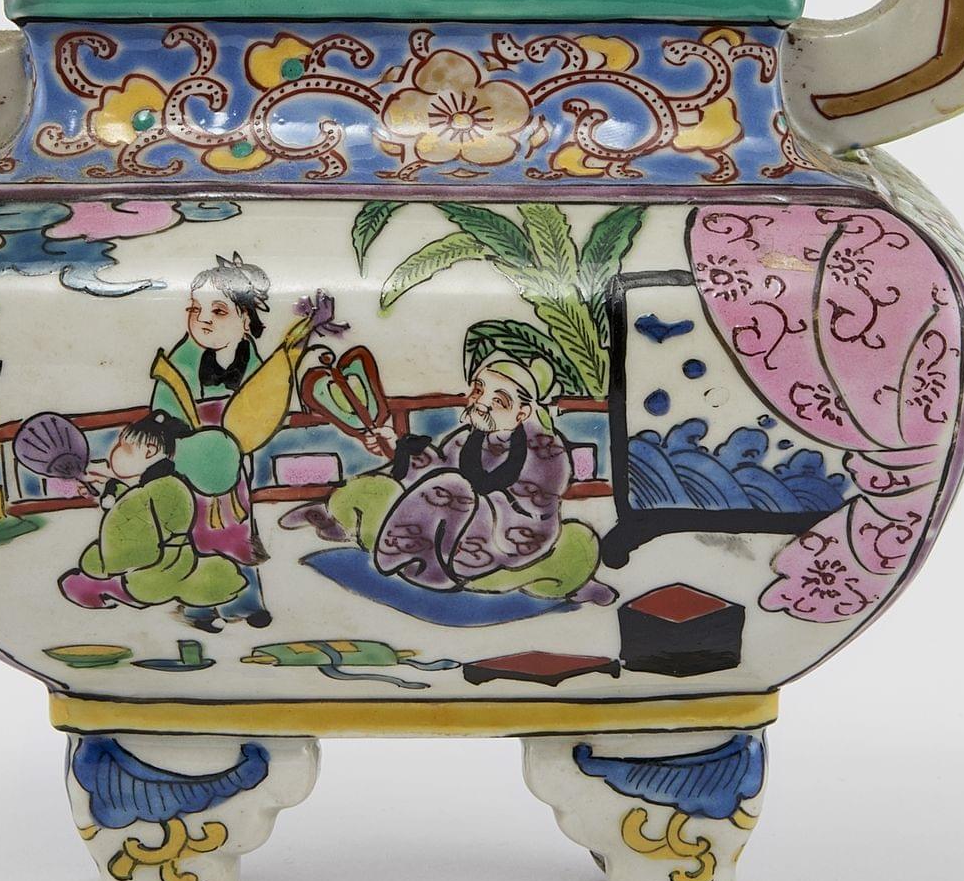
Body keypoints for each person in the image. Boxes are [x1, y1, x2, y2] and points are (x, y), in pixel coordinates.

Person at [293, 352, 615, 604]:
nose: (481, 402)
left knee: (578, 544)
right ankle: (336, 521)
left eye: (498, 400)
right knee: (377, 488)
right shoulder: (467, 437)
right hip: (439, 530)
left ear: (522, 413)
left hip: (501, 547)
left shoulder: (547, 454)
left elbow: (533, 509)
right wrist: (397, 448)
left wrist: (464, 500)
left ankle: (572, 585)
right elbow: (434, 469)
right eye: (479, 390)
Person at [148, 255, 336, 629]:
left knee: (238, 530)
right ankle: (200, 606)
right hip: (190, 460)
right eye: (195, 309)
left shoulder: (249, 359)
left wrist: (308, 329)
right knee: (196, 533)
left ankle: (244, 602)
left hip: (234, 462)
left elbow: (266, 396)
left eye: (218, 311)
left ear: (246, 320)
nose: (203, 320)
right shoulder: (178, 365)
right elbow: (163, 415)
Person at [57, 414, 248, 630]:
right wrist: (109, 486)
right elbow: (134, 506)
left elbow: (125, 550)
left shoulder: (149, 494)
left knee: (83, 577)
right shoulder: (171, 484)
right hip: (180, 562)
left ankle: (101, 591)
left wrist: (97, 563)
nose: (114, 453)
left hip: (151, 575)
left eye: (124, 447)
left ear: (149, 451)